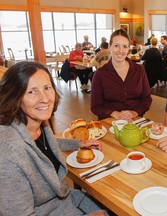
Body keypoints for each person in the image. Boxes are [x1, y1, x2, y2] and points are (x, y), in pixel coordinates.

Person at [0, 61, 108, 215]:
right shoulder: (8, 155)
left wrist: (78, 143)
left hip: (65, 199)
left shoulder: (37, 124)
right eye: (32, 92)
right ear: (15, 97)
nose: (45, 99)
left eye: (47, 88)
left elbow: (43, 147)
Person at [90, 29, 152, 121]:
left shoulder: (139, 70)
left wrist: (134, 112)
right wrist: (114, 113)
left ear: (129, 48)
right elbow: (95, 106)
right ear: (110, 47)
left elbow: (147, 99)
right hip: (110, 121)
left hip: (134, 121)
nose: (121, 50)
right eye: (116, 46)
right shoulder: (100, 74)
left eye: (125, 46)